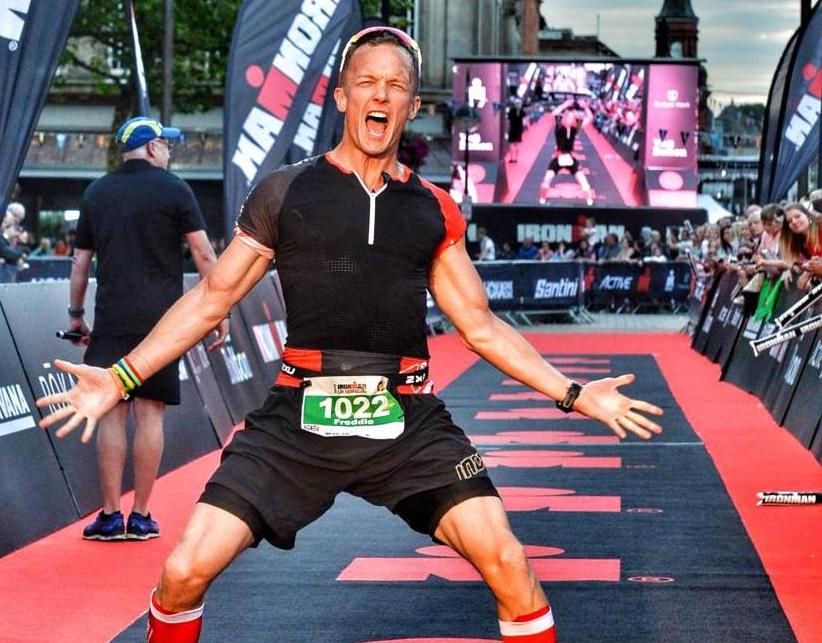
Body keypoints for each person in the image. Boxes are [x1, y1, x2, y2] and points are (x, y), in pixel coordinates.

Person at [38, 27, 662, 643]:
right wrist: (121, 376)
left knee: (508, 563)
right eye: (367, 82)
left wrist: (576, 394)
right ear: (342, 97)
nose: (381, 96)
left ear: (413, 107)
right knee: (182, 572)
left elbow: (481, 327)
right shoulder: (284, 192)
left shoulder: (434, 208)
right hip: (296, 417)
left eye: (396, 86)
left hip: (407, 418)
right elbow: (211, 297)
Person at [65, 116, 229, 542]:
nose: (170, 152)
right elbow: (203, 254)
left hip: (113, 318)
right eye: (167, 145)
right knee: (150, 412)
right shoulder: (175, 189)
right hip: (163, 323)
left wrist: (76, 315)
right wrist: (219, 310)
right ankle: (140, 515)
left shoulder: (97, 191)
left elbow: (80, 261)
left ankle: (108, 515)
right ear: (153, 148)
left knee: (112, 414)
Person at [539, 98, 594, 206]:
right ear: (564, 118)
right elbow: (553, 114)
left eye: (572, 117)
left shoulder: (574, 128)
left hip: (570, 158)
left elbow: (590, 118)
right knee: (547, 179)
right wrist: (565, 105)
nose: (569, 118)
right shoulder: (559, 127)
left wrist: (585, 107)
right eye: (567, 116)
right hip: (558, 157)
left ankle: (590, 203)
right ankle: (542, 200)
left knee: (584, 182)